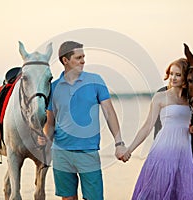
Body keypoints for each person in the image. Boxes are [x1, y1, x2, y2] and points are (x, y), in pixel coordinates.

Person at [41, 41, 126, 200]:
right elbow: (50, 123)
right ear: (65, 61)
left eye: (83, 57)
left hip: (88, 151)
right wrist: (45, 140)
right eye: (78, 57)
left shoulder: (96, 81)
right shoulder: (53, 87)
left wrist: (119, 143)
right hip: (61, 153)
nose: (83, 61)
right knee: (68, 198)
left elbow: (109, 112)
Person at [121, 58, 193, 200]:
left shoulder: (191, 100)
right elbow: (147, 127)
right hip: (163, 152)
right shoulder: (161, 97)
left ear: (185, 77)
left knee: (186, 192)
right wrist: (129, 150)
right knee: (156, 192)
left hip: (184, 155)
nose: (173, 78)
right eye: (171, 73)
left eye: (178, 75)